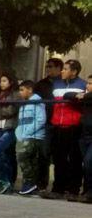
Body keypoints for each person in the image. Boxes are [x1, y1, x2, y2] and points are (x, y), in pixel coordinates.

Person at [40, 59, 86, 199]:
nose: (62, 71)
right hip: (57, 126)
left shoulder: (83, 84)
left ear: (74, 71)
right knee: (59, 159)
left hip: (74, 126)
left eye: (65, 69)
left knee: (74, 159)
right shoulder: (56, 83)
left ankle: (73, 190)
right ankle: (58, 188)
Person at [34, 57, 63, 191]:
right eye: (47, 66)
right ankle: (41, 184)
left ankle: (59, 187)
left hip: (60, 124)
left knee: (59, 155)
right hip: (45, 122)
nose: (48, 69)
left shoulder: (63, 83)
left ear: (59, 68)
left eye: (51, 66)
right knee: (43, 154)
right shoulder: (41, 84)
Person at [0, 75, 20, 194]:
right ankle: (7, 184)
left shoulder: (15, 94)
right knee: (4, 156)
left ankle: (5, 181)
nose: (1, 83)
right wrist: (0, 113)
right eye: (0, 81)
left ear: (11, 82)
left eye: (4, 81)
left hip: (9, 128)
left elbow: (11, 110)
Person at [15, 80, 46, 195]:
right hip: (23, 135)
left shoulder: (37, 102)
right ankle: (30, 184)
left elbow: (40, 119)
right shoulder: (24, 103)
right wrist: (18, 132)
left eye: (22, 90)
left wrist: (27, 132)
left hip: (33, 136)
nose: (20, 93)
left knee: (23, 156)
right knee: (29, 160)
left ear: (30, 90)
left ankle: (30, 182)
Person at [75, 75, 92, 203]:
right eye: (88, 83)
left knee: (88, 162)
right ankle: (86, 191)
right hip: (84, 135)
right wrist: (80, 96)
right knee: (85, 164)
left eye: (91, 84)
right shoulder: (86, 96)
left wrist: (84, 96)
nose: (88, 86)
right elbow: (68, 95)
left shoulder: (87, 97)